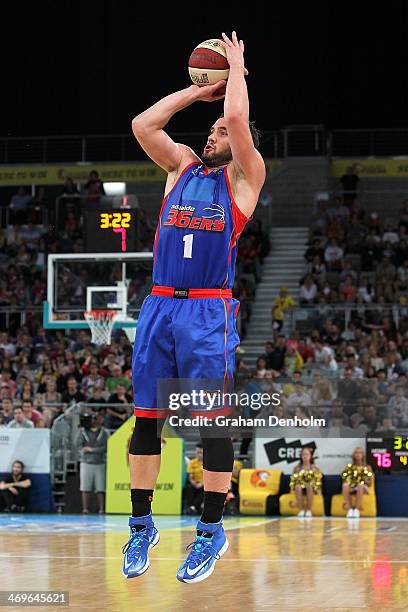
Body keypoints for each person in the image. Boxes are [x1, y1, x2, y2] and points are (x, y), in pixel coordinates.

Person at [123, 31, 265, 583]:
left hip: (208, 314)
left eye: (220, 129)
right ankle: (142, 528)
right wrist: (195, 92)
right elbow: (142, 125)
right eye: (210, 129)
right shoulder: (179, 167)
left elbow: (236, 123)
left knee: (210, 428)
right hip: (159, 305)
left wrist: (233, 71)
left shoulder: (245, 178)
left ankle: (210, 532)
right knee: (146, 422)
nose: (211, 134)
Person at [75, 409, 109, 514]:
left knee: (100, 488)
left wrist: (92, 450)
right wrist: (84, 451)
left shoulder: (104, 433)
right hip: (86, 463)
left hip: (100, 463)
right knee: (85, 487)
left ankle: (101, 509)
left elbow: (106, 447)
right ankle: (85, 509)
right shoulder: (83, 432)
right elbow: (78, 445)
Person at [290, 447, 322, 518]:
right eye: (303, 454)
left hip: (312, 487)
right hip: (300, 487)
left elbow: (318, 481)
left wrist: (319, 491)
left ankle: (309, 510)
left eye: (307, 454)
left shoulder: (314, 468)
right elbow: (293, 480)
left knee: (309, 486)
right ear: (301, 456)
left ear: (310, 456)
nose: (305, 456)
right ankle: (301, 510)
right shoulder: (297, 468)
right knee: (298, 487)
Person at [341, 447, 373, 518]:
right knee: (345, 485)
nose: (358, 454)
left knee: (360, 485)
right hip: (352, 486)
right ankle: (350, 510)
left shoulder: (367, 467)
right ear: (353, 455)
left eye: (360, 452)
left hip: (363, 487)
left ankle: (357, 510)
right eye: (356, 452)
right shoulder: (350, 467)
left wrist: (363, 479)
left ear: (363, 455)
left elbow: (370, 483)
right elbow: (345, 480)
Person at [184, 444, 204, 514]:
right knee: (188, 488)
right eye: (197, 452)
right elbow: (190, 476)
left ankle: (193, 507)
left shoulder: (209, 463)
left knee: (205, 489)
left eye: (201, 453)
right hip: (195, 483)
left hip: (204, 484)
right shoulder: (192, 463)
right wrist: (194, 483)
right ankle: (193, 507)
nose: (199, 455)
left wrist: (202, 484)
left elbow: (209, 477)